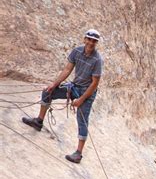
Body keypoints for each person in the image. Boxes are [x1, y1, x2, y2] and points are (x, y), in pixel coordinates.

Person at [22, 29, 103, 164]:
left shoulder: (97, 60)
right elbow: (67, 69)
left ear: (96, 43)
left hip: (87, 92)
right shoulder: (77, 51)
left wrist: (80, 100)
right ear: (84, 39)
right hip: (75, 86)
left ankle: (78, 153)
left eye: (94, 41)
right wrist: (54, 84)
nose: (91, 43)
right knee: (47, 92)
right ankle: (38, 122)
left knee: (82, 119)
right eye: (89, 39)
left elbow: (94, 84)